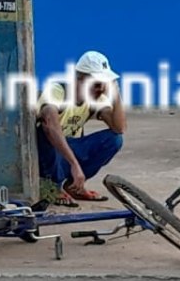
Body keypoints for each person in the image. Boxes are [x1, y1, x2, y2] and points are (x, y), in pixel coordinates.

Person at [34, 50, 127, 206]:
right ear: (81, 80)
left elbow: (119, 128)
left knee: (114, 140)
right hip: (45, 158)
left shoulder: (94, 99)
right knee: (47, 131)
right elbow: (50, 126)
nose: (101, 89)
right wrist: (74, 165)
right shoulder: (57, 92)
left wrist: (116, 94)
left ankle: (73, 187)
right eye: (97, 84)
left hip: (65, 156)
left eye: (104, 85)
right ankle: (52, 186)